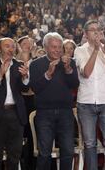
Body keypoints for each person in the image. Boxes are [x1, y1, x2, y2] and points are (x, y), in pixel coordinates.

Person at [29, 32, 79, 170]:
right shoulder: (36, 65)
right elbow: (35, 88)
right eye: (53, 47)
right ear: (45, 47)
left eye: (59, 47)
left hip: (66, 112)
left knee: (68, 151)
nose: (57, 50)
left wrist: (68, 69)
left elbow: (75, 84)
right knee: (44, 153)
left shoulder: (70, 62)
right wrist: (48, 74)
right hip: (44, 113)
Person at [74, 20, 105, 170]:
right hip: (86, 103)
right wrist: (95, 50)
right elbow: (86, 73)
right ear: (86, 34)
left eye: (99, 30)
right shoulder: (79, 50)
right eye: (92, 30)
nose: (96, 33)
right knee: (90, 144)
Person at [0, 38, 29, 170]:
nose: (10, 49)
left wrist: (25, 77)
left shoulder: (19, 64)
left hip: (16, 114)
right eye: (7, 46)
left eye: (13, 46)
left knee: (14, 156)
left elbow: (24, 89)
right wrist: (1, 73)